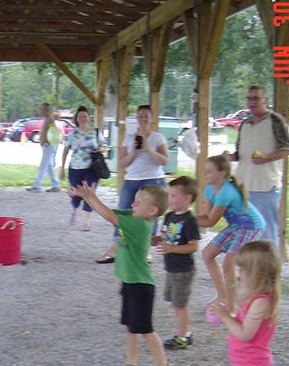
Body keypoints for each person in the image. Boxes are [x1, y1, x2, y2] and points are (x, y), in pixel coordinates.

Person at [69, 181, 175, 366]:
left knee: (146, 329)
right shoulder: (133, 216)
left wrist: (90, 196)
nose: (132, 205)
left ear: (152, 211)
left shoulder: (139, 224)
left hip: (141, 286)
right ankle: (132, 364)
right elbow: (110, 212)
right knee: (130, 327)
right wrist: (86, 197)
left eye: (137, 203)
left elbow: (110, 216)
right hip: (130, 283)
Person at [96, 104, 168, 264]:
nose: (142, 119)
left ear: (151, 118)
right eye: (140, 116)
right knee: (123, 209)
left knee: (151, 214)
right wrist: (134, 151)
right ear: (136, 119)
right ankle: (115, 247)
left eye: (146, 116)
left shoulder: (157, 137)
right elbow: (122, 163)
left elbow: (164, 160)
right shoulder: (129, 138)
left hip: (153, 178)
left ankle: (145, 249)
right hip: (132, 179)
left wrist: (149, 149)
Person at [198, 154, 265, 322]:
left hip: (251, 225)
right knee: (207, 254)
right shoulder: (209, 189)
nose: (205, 175)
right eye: (205, 171)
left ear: (222, 173)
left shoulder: (226, 192)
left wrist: (186, 219)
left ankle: (232, 306)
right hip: (236, 226)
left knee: (229, 264)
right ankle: (222, 297)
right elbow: (207, 217)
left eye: (209, 172)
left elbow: (211, 221)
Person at [228, 85, 289, 246]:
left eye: (256, 98)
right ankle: (249, 268)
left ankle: (271, 269)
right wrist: (229, 157)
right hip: (242, 186)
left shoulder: (274, 120)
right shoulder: (244, 124)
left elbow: (287, 149)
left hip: (265, 186)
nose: (252, 102)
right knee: (245, 230)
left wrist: (267, 158)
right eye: (249, 98)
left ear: (265, 100)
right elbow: (240, 153)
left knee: (267, 232)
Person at [155, 176, 200, 350]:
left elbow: (193, 246)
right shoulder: (169, 216)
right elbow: (166, 237)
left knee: (180, 304)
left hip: (183, 269)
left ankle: (182, 337)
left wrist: (171, 249)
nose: (169, 200)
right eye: (169, 195)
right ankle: (185, 332)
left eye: (174, 196)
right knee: (175, 302)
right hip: (171, 268)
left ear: (188, 198)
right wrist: (156, 239)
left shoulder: (189, 221)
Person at [60, 106, 106, 231]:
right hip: (75, 167)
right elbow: (65, 151)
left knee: (89, 193)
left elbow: (104, 147)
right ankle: (74, 211)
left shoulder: (95, 132)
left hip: (92, 168)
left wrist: (100, 149)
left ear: (88, 117)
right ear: (77, 118)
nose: (83, 118)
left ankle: (87, 220)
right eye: (80, 116)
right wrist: (62, 168)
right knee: (76, 193)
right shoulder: (72, 134)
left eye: (85, 116)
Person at [25, 103, 62, 192]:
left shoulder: (50, 119)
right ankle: (55, 185)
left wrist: (48, 141)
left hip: (49, 145)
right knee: (49, 166)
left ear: (46, 110)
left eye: (41, 109)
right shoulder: (46, 119)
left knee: (43, 165)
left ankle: (37, 185)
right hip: (46, 145)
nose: (40, 111)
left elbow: (53, 131)